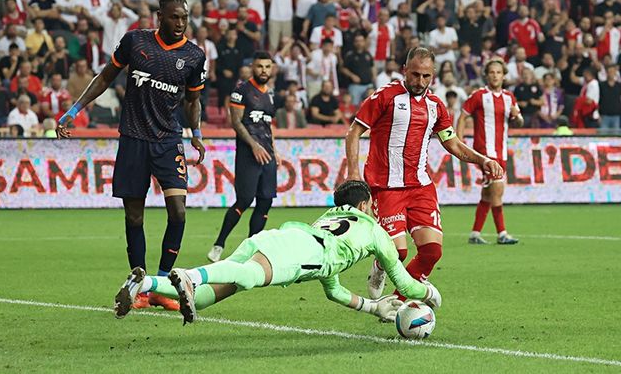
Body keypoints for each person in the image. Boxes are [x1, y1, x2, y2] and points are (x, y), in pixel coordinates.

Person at [114, 180, 442, 324]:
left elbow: (333, 289)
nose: (373, 209)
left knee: (204, 298)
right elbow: (407, 283)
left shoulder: (329, 219)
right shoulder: (374, 231)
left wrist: (372, 307)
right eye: (370, 204)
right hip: (299, 251)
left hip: (280, 237)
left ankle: (145, 285)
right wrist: (428, 292)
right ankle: (188, 275)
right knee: (250, 277)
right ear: (363, 205)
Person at [56, 0, 206, 311]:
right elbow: (105, 76)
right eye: (175, 17)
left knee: (178, 212)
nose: (181, 23)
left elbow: (193, 100)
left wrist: (197, 134)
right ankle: (138, 286)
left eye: (185, 17)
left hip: (168, 140)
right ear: (160, 16)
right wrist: (73, 110)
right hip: (134, 140)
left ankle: (162, 285)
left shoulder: (194, 55)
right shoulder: (136, 41)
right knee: (134, 216)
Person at [345, 47, 505, 299]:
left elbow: (451, 142)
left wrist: (482, 159)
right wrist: (353, 173)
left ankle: (398, 301)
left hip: (420, 186)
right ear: (405, 70)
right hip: (386, 186)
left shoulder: (436, 106)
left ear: (433, 76)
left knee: (431, 252)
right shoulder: (385, 96)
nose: (420, 82)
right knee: (398, 253)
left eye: (426, 76)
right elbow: (354, 131)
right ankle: (380, 264)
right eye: (415, 75)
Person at [208, 51, 278, 263]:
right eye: (260, 66)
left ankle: (250, 247)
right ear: (252, 67)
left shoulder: (271, 94)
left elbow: (267, 125)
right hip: (249, 154)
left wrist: (275, 149)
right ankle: (219, 244)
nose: (263, 70)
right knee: (245, 200)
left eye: (267, 67)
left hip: (268, 155)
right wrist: (254, 146)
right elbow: (236, 122)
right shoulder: (241, 91)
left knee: (265, 202)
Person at [457, 58, 523, 245]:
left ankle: (475, 234)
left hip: (501, 151)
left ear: (503, 75)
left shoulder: (509, 97)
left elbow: (519, 122)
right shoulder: (479, 95)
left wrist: (516, 115)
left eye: (498, 72)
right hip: (485, 153)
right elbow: (462, 117)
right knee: (497, 190)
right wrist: (460, 143)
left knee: (488, 193)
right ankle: (502, 233)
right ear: (486, 75)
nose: (495, 75)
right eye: (492, 72)